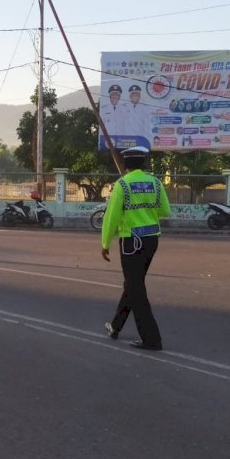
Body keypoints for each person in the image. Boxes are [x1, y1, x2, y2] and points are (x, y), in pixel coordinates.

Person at [101, 146, 171, 350]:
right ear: (143, 163)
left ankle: (152, 338)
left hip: (132, 242)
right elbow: (165, 210)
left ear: (124, 164)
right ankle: (115, 326)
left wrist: (105, 243)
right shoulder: (156, 183)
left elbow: (111, 216)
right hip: (151, 240)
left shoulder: (122, 185)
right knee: (133, 284)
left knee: (136, 288)